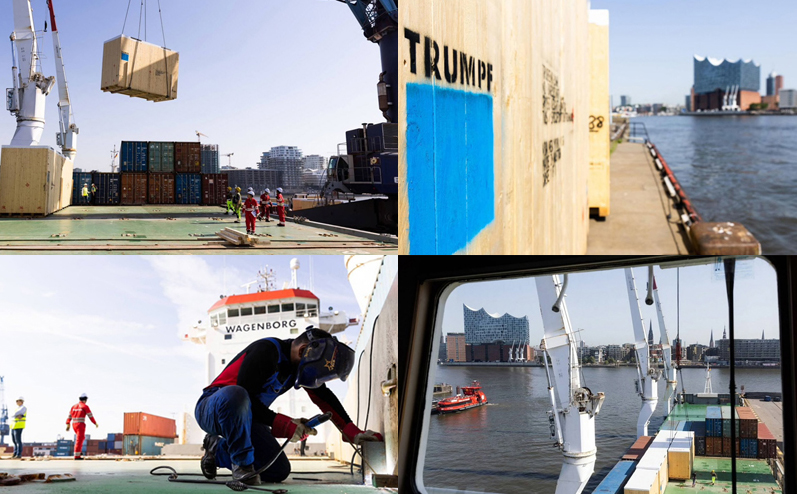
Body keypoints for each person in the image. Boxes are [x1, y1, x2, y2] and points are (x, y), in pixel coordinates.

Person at [195, 327, 382, 486]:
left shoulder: (297, 368)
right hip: (213, 408)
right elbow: (246, 397)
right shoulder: (266, 351)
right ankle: (243, 467)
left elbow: (324, 397)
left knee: (277, 470)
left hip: (248, 418)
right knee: (237, 394)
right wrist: (285, 425)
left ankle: (217, 450)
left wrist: (351, 431)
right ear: (303, 351)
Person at [66, 393, 98, 460]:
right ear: (85, 399)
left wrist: (68, 423)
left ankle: (79, 452)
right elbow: (90, 416)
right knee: (79, 440)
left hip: (74, 425)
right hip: (80, 425)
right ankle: (77, 456)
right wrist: (95, 423)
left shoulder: (73, 406)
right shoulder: (85, 406)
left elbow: (69, 416)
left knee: (81, 438)